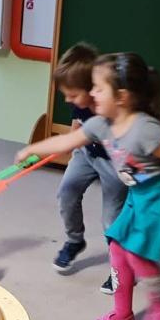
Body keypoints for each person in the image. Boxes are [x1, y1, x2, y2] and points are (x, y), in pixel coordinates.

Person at [16, 52, 160, 320]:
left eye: (99, 89)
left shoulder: (145, 130)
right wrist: (31, 149)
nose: (92, 93)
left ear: (122, 96)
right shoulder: (101, 123)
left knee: (136, 252)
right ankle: (122, 314)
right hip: (139, 192)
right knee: (117, 248)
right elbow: (67, 141)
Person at [49, 43, 128, 294]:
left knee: (111, 219)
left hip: (113, 162)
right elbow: (77, 123)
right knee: (66, 192)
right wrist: (69, 144)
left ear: (91, 89)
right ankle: (75, 240)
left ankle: (120, 268)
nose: (68, 99)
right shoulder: (79, 101)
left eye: (72, 95)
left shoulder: (110, 109)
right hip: (85, 153)